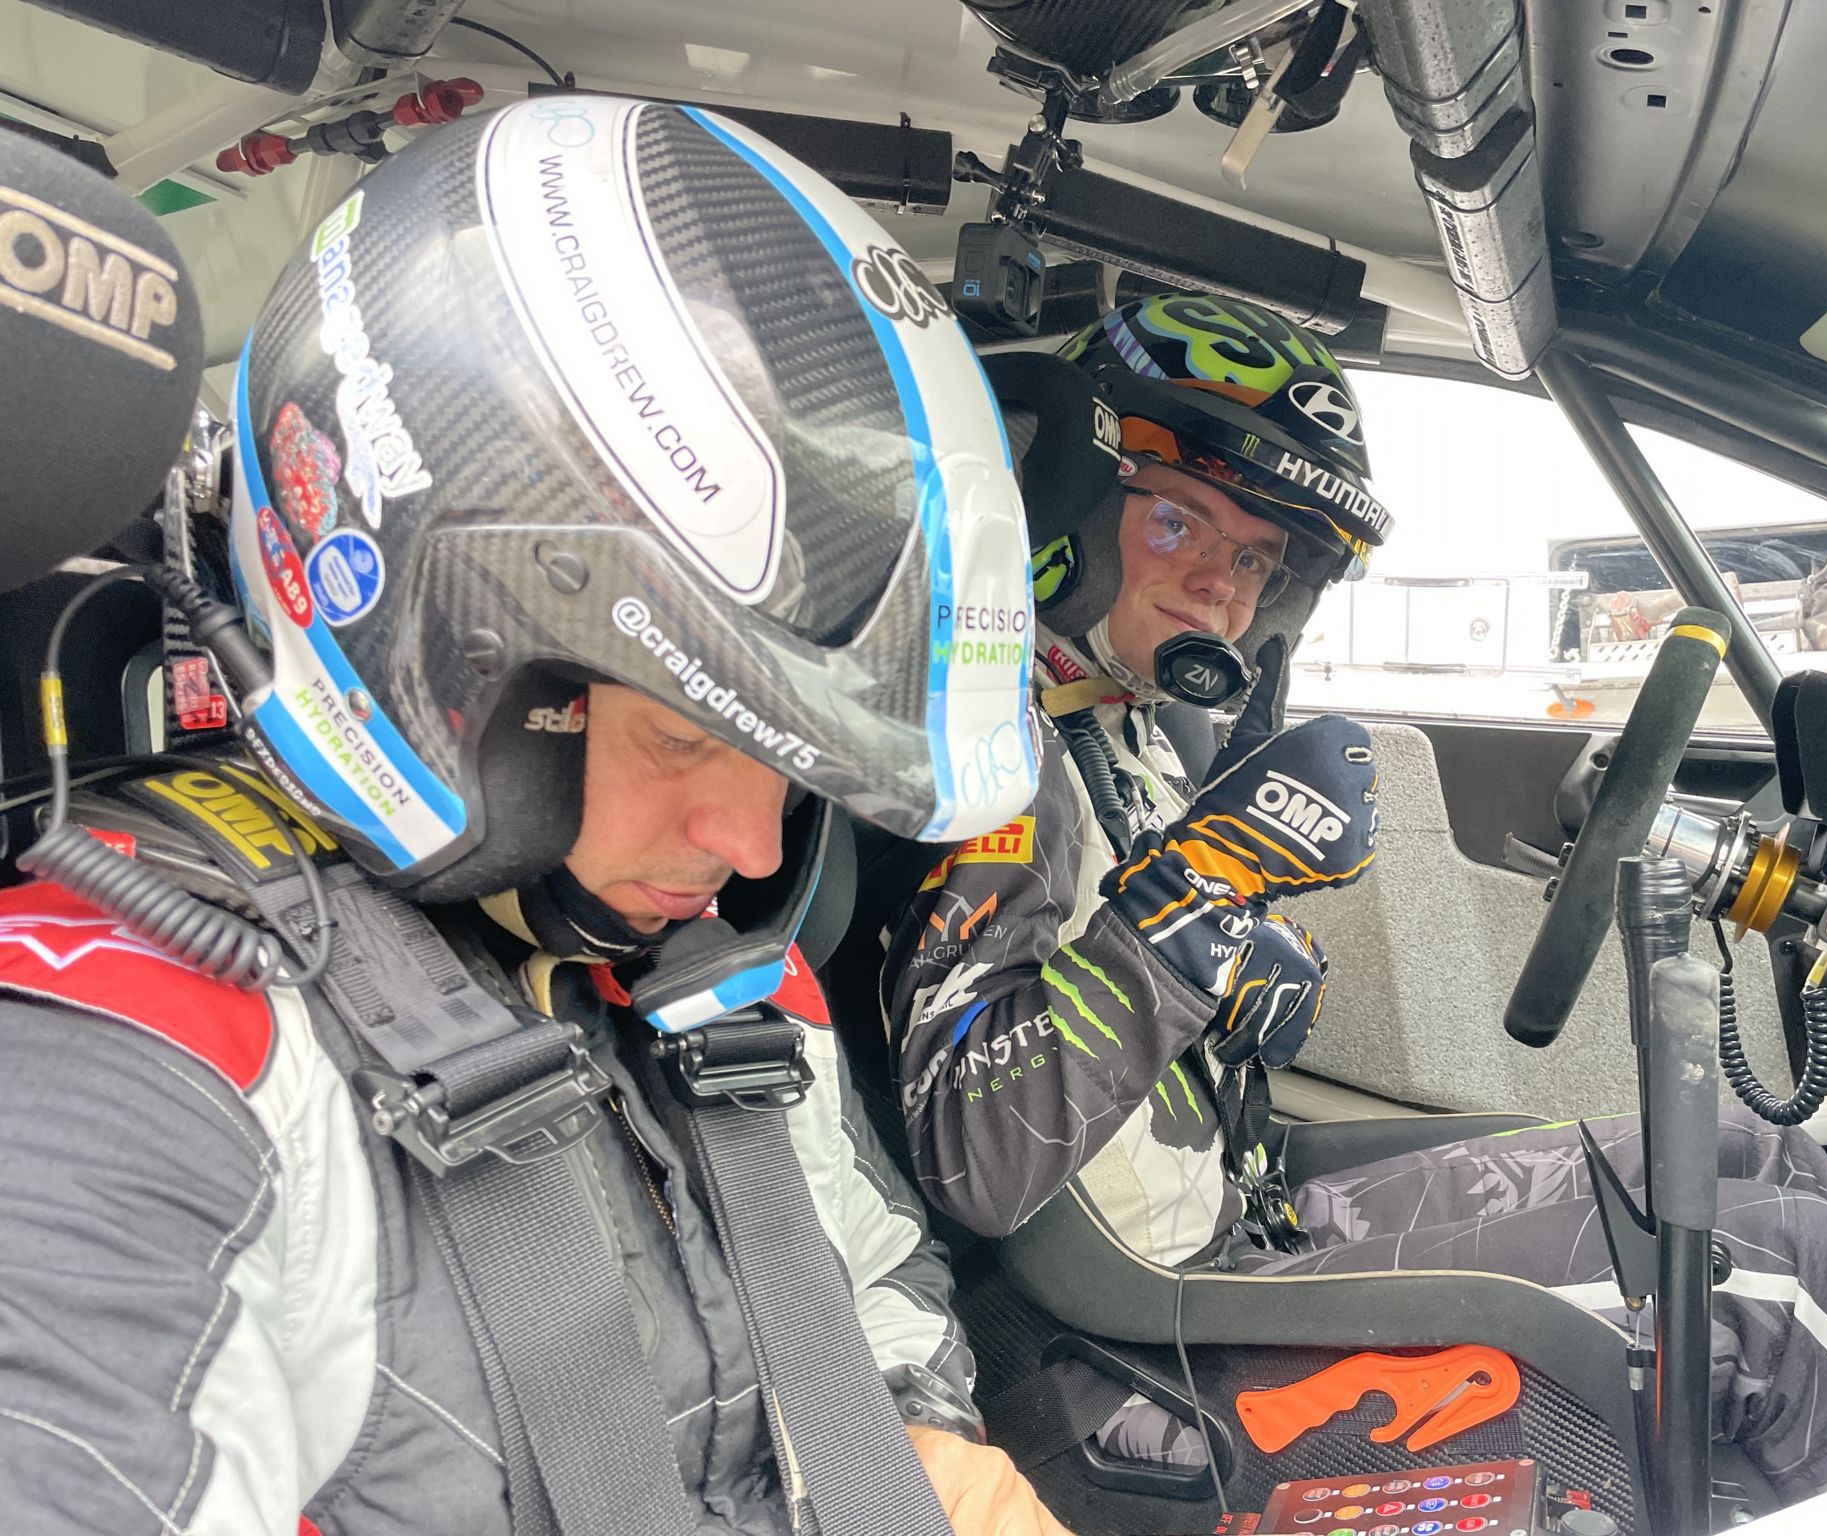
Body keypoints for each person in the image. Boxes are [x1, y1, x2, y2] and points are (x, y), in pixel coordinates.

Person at [0, 96, 1071, 1536]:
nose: (756, 848)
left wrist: (907, 1460)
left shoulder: (723, 970)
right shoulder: (138, 1062)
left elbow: (874, 1285)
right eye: (687, 732)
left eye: (791, 766)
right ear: (449, 670)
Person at [881, 293, 1827, 1524]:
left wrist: (1227, 960)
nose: (1218, 588)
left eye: (1256, 561)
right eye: (1177, 521)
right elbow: (980, 1158)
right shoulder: (984, 757)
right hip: (1146, 1314)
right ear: (1060, 497)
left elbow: (1115, 978)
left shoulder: (1113, 731)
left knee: (1759, 1156)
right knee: (1775, 1273)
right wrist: (1198, 897)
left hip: (1252, 1208)